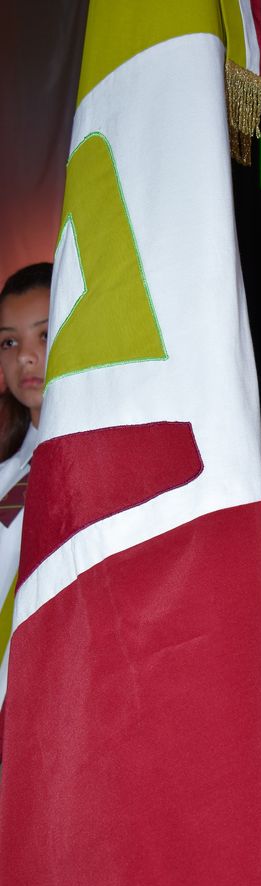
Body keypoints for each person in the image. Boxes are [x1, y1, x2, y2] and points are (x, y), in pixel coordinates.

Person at [0, 263, 51, 711]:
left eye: (44, 335)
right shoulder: (6, 475)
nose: (25, 358)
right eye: (9, 342)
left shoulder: (106, 469)